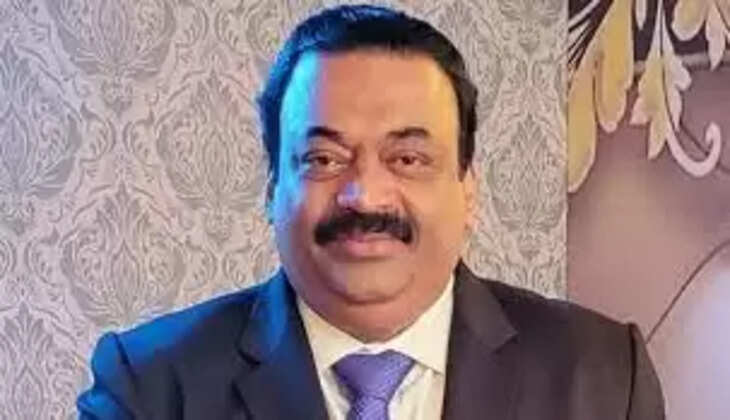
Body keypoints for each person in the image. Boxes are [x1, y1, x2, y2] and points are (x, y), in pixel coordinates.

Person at [76, 4, 665, 419]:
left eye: (408, 158)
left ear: (468, 191)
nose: (365, 196)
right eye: (324, 159)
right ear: (272, 188)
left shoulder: (603, 377)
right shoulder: (150, 387)